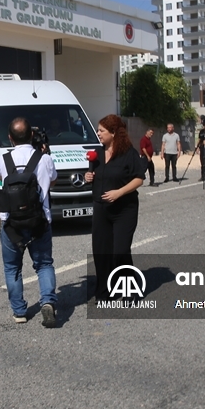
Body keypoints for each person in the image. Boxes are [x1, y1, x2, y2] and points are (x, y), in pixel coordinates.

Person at [0, 117, 58, 327]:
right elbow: (53, 180)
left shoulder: (3, 160)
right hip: (39, 222)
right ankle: (48, 302)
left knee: (12, 268)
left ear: (10, 138)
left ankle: (19, 312)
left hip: (12, 224)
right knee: (44, 264)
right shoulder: (44, 159)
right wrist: (44, 152)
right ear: (32, 135)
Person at [85, 115, 145, 300]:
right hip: (101, 209)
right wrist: (88, 176)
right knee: (101, 251)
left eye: (101, 130)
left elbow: (139, 178)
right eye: (98, 130)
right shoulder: (96, 153)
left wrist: (119, 192)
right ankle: (104, 290)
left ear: (113, 132)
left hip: (124, 209)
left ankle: (129, 288)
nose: (98, 134)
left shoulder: (128, 153)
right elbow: (93, 174)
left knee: (120, 250)